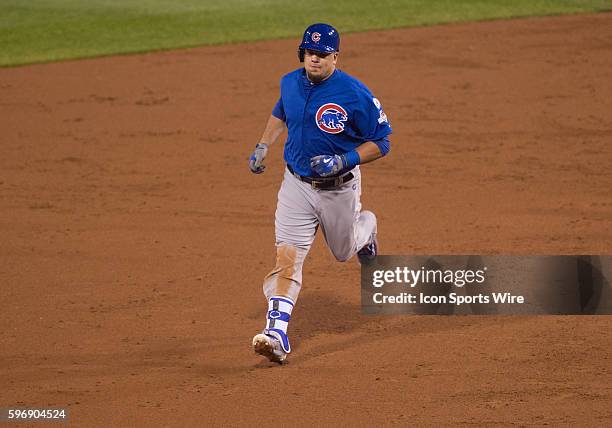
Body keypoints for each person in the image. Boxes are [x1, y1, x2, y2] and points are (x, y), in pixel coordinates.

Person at [248, 23, 392, 363]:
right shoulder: (289, 82)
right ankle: (276, 334)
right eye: (310, 53)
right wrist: (263, 145)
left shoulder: (355, 94)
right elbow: (282, 110)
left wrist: (345, 159)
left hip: (338, 191)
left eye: (323, 54)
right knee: (287, 258)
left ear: (335, 57)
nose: (315, 59)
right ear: (303, 54)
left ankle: (367, 229)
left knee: (343, 252)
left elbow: (382, 142)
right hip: (295, 186)